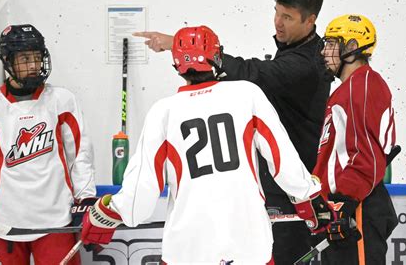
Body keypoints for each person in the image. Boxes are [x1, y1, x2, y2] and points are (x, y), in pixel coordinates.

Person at [80, 26, 337, 264]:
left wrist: (108, 211)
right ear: (216, 57)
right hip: (248, 244)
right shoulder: (246, 94)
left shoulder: (163, 112)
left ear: (177, 64)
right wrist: (309, 198)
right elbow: (283, 161)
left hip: (189, 248)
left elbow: (139, 198)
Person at [133, 0, 330, 264]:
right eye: (276, 12)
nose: (278, 22)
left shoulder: (306, 63)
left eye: (287, 17)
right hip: (281, 187)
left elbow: (254, 73)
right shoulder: (292, 50)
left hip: (292, 189)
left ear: (310, 20)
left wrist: (189, 50)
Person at [0, 24, 96, 264]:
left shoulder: (62, 101)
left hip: (56, 222)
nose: (33, 66)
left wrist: (86, 200)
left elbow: (80, 157)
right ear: (7, 61)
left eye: (37, 57)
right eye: (24, 59)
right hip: (0, 225)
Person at [313, 14, 398, 264]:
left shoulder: (362, 84)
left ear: (351, 47)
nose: (324, 52)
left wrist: (347, 201)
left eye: (331, 43)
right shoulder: (347, 89)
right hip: (342, 207)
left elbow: (366, 153)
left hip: (357, 206)